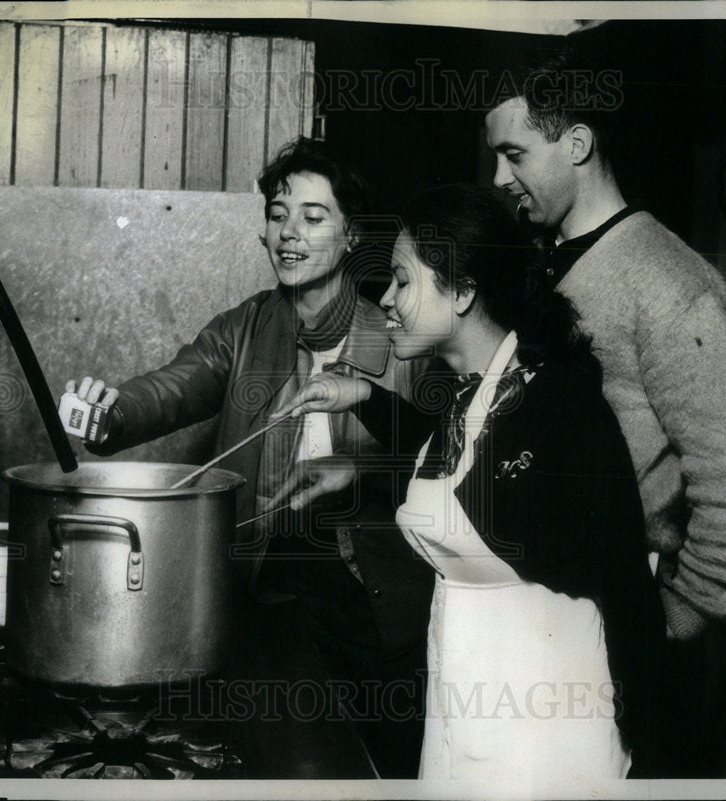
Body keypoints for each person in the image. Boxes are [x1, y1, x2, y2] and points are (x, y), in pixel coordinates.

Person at [272, 184, 666, 787]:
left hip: (546, 734)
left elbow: (622, 583)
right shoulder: (467, 396)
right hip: (460, 716)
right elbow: (459, 465)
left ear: (460, 290)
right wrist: (367, 398)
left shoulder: (558, 401)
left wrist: (653, 753)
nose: (386, 299)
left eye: (403, 281)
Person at [64, 137, 433, 779]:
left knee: (380, 769)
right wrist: (111, 412)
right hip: (266, 591)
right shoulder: (244, 328)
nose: (289, 233)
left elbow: (452, 457)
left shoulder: (403, 339)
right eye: (278, 214)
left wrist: (367, 469)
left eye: (314, 217)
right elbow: (172, 386)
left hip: (373, 604)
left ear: (352, 238)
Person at [483, 48, 726, 776]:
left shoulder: (668, 280)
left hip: (648, 635)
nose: (498, 178)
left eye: (514, 153)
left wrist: (671, 619)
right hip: (568, 624)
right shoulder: (547, 262)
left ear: (577, 143)